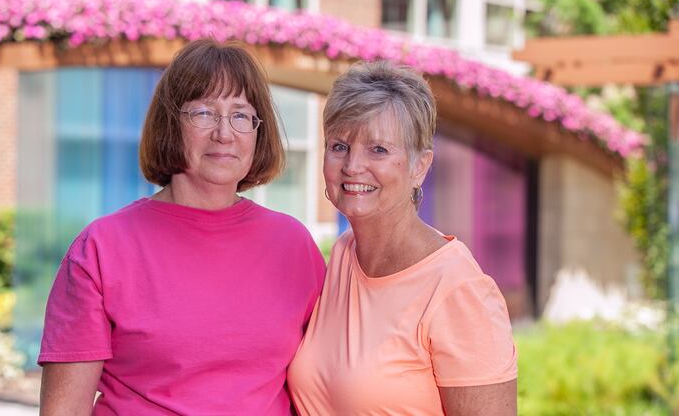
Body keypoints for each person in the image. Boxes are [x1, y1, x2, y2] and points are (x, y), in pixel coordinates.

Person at [38, 39, 326, 415]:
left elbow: (330, 383)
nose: (224, 134)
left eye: (241, 115)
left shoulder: (293, 245)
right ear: (171, 123)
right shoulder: (102, 248)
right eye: (204, 113)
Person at [287, 61, 517, 415]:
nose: (352, 166)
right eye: (339, 146)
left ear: (420, 166)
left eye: (378, 149)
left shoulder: (458, 290)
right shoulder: (345, 253)